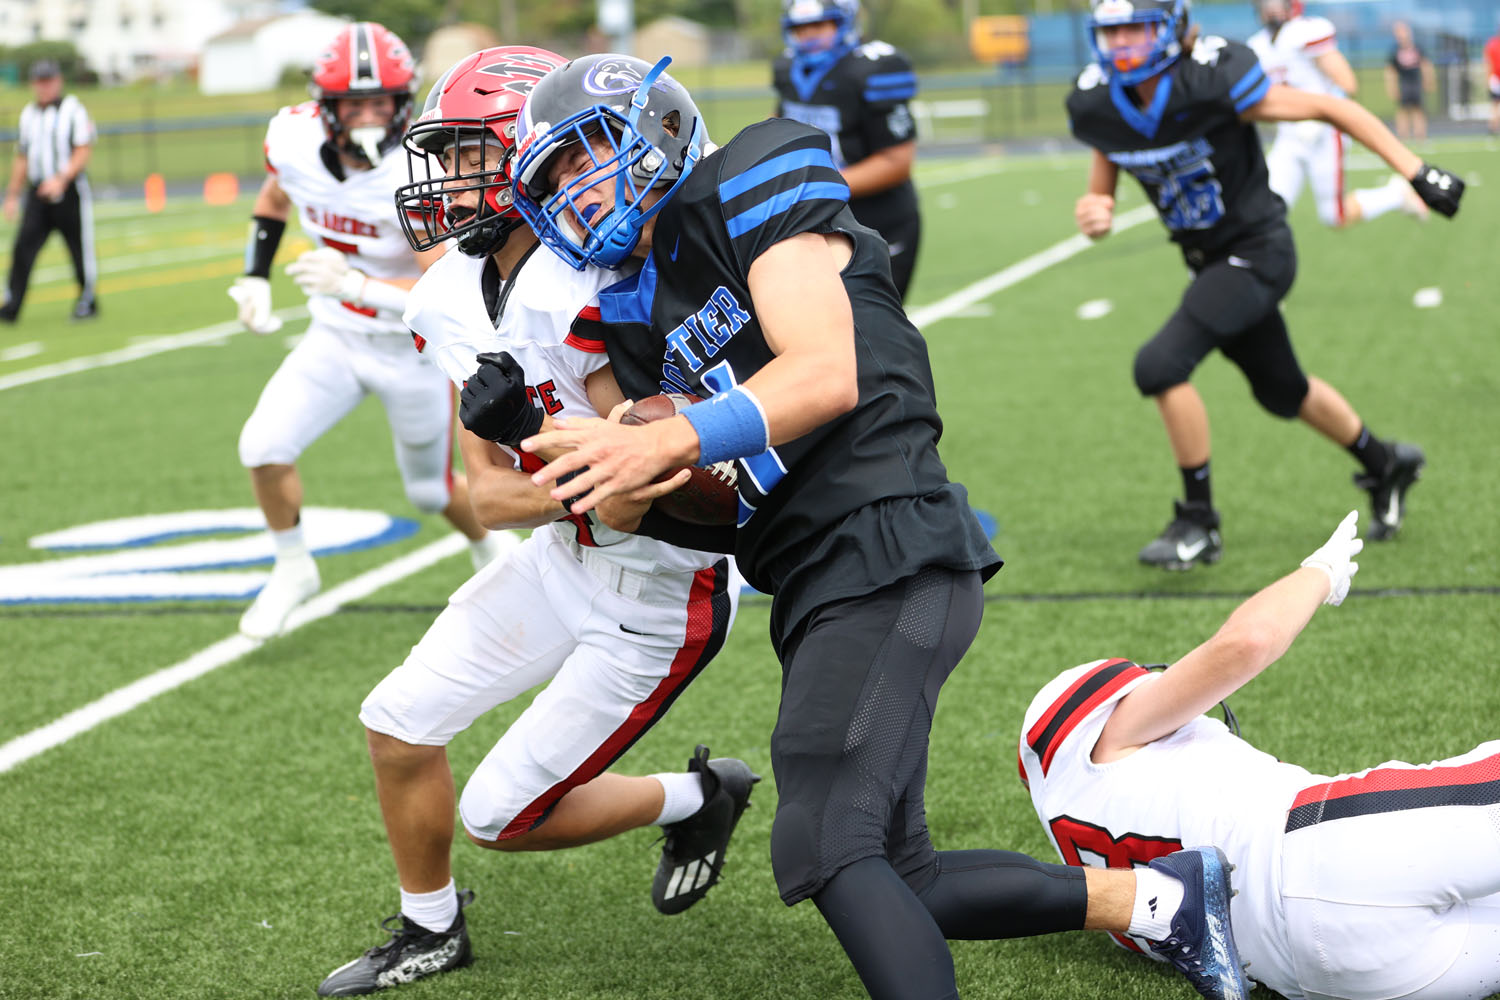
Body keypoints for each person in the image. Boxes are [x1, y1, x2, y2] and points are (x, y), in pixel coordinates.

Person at [510, 53, 1256, 1000]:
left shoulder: (752, 170)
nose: (576, 192)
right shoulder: (627, 314)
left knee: (821, 840)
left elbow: (826, 371)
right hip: (812, 576)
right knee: (906, 877)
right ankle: (1167, 901)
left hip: (887, 537)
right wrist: (608, 467)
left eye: (585, 157)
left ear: (654, 124)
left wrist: (673, 433)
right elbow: (702, 503)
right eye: (555, 183)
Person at [315, 47, 752, 997]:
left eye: (471, 153)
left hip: (655, 594)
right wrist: (558, 459)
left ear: (534, 153)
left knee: (499, 814)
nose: (444, 179)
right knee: (396, 722)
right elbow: (485, 493)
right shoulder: (445, 295)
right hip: (561, 557)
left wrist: (546, 442)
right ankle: (430, 928)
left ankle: (700, 794)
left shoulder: (590, 287)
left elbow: (641, 487)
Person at [1020, 510, 1500, 1000]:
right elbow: (1247, 642)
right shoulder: (1106, 741)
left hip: (1323, 978)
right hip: (1329, 850)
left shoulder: (1118, 917)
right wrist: (1322, 572)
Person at [1067, 0, 1464, 569]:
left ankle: (1198, 522)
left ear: (1173, 28)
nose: (1125, 42)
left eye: (1138, 27)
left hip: (1259, 251)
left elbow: (1330, 107)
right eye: (1113, 31)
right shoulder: (1098, 103)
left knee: (1158, 365)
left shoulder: (1211, 80)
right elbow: (1103, 182)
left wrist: (1416, 172)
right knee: (1283, 391)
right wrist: (1096, 209)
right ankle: (1386, 464)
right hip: (1208, 262)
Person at [230, 22, 500, 640]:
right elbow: (275, 197)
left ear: (404, 102)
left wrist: (356, 285)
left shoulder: (424, 164)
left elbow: (444, 285)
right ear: (328, 109)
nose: (371, 114)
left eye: (382, 100)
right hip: (335, 337)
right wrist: (254, 276)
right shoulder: (293, 139)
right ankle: (294, 568)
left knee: (431, 494)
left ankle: (491, 552)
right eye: (355, 102)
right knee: (261, 447)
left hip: (410, 351)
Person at [772, 0, 922, 301]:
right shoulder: (788, 67)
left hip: (877, 221)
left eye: (819, 25)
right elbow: (778, 124)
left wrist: (814, 187)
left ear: (845, 22)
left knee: (871, 332)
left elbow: (897, 161)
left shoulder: (875, 67)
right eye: (801, 28)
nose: (809, 36)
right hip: (813, 220)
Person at [1247, 0, 1429, 227]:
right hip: (1289, 138)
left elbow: (1347, 83)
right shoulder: (1257, 45)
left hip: (1323, 134)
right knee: (1266, 209)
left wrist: (1318, 114)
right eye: (1265, 3)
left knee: (1335, 216)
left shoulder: (1305, 32)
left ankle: (1396, 194)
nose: (1270, 8)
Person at [1, 59, 97, 322]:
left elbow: (83, 149)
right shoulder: (28, 114)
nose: (44, 86)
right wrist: (12, 194)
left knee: (78, 248)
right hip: (38, 192)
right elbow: (22, 157)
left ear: (58, 81)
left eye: (49, 80)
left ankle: (87, 300)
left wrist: (61, 178)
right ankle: (12, 305)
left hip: (69, 191)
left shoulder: (73, 109)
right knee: (23, 248)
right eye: (39, 81)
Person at [1385, 21, 1434, 141]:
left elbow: (1425, 65)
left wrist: (1428, 80)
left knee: (1418, 109)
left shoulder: (1417, 47)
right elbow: (1391, 71)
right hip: (1404, 83)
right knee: (1403, 110)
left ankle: (1420, 136)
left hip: (1416, 82)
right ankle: (1403, 136)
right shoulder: (1394, 50)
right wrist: (1393, 87)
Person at [1484, 22, 1500, 135]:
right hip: (1495, 77)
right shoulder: (1492, 44)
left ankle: (1492, 125)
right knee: (1495, 103)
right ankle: (1493, 125)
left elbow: (1486, 63)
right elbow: (1487, 62)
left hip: (1494, 78)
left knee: (1495, 103)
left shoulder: (1491, 43)